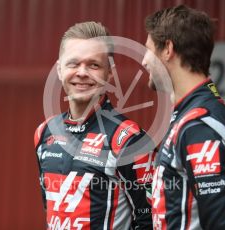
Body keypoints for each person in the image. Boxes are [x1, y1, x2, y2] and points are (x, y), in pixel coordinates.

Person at [34, 21, 154, 230]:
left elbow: (151, 221)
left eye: (93, 65)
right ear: (59, 70)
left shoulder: (129, 139)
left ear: (110, 73)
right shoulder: (44, 132)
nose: (82, 72)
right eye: (73, 63)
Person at [141, 5, 225, 230]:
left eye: (148, 50)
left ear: (168, 49)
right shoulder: (192, 115)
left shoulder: (200, 126)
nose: (143, 61)